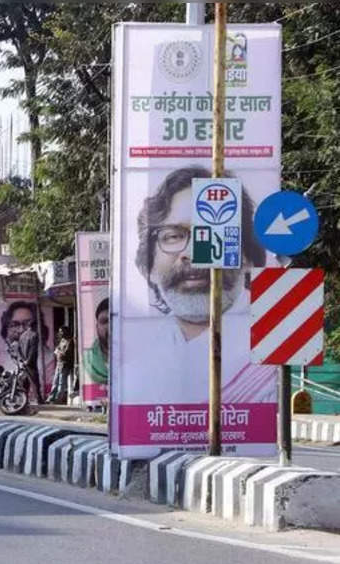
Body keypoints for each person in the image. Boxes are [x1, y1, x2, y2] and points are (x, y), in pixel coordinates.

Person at [125, 165, 274, 403]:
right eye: (173, 236)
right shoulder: (134, 371)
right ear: (148, 267)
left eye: (213, 233)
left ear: (246, 255)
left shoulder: (271, 350)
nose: (193, 252)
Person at [0, 301, 44, 405]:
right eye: (14, 324)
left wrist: (21, 360)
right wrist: (28, 361)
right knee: (34, 382)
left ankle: (25, 400)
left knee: (26, 382)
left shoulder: (23, 335)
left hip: (23, 362)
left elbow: (18, 349)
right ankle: (39, 400)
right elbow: (33, 350)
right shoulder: (34, 335)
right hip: (30, 363)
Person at [84, 298, 109, 385]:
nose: (109, 326)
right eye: (104, 321)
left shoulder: (139, 358)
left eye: (114, 321)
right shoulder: (88, 359)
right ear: (97, 327)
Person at [48, 326, 75, 404]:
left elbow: (66, 353)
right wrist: (59, 352)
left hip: (65, 364)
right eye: (60, 331)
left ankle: (58, 399)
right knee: (55, 381)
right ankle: (51, 397)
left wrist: (59, 352)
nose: (60, 333)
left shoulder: (70, 341)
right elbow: (57, 350)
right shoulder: (62, 340)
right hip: (59, 363)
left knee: (61, 382)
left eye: (61, 331)